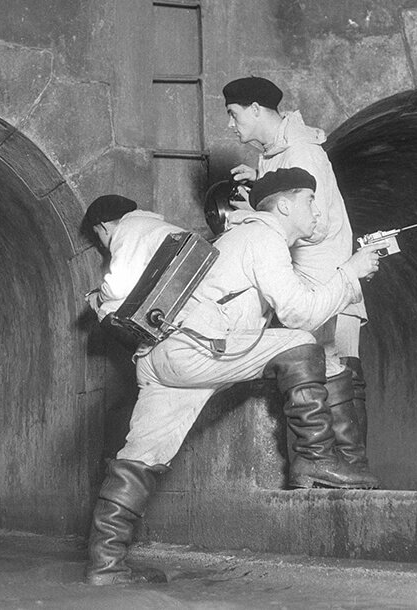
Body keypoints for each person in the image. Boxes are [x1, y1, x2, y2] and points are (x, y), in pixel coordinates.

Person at [85, 168, 384, 585]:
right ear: (283, 204)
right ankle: (316, 459)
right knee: (299, 341)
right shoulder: (263, 236)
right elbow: (299, 313)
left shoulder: (244, 238)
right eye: (309, 201)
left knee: (140, 457)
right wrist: (349, 275)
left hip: (161, 357)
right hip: (195, 347)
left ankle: (106, 566)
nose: (317, 210)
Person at [223, 76, 374, 478]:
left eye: (234, 115)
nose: (231, 125)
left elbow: (314, 224)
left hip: (326, 277)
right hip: (302, 278)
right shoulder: (272, 154)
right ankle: (331, 470)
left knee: (338, 368)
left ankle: (352, 468)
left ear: (256, 109)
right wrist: (262, 190)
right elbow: (287, 206)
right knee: (318, 368)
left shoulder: (303, 152)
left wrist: (254, 216)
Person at [83, 194, 187, 319]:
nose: (99, 242)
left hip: (192, 296)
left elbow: (118, 287)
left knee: (109, 310)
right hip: (193, 286)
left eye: (97, 233)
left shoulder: (126, 229)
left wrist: (98, 298)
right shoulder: (146, 225)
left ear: (104, 227)